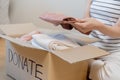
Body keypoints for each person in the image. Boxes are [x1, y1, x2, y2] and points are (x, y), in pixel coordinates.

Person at [62, 0, 120, 80]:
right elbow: (87, 24)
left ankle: (90, 65)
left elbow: (118, 31)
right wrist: (75, 23)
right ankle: (93, 65)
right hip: (91, 47)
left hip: (113, 51)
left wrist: (98, 26)